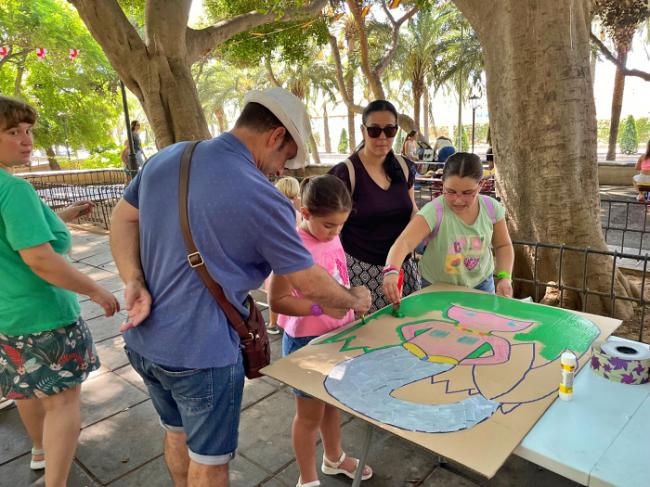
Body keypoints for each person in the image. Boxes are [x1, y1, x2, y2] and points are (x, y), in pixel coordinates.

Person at [109, 87, 371, 487]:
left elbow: (122, 219)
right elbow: (308, 283)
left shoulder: (169, 157)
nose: (281, 170)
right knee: (210, 461)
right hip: (203, 353)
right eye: (286, 156)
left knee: (177, 435)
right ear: (275, 136)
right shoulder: (265, 198)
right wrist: (354, 298)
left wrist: (133, 279)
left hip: (143, 341)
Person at [0, 95, 119, 487]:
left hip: (8, 316)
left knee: (27, 392)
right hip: (44, 315)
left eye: (28, 130)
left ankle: (39, 450)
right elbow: (41, 259)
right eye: (13, 132)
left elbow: (16, 236)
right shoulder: (13, 190)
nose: (26, 139)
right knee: (63, 401)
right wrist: (97, 291)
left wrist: (65, 217)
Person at [270, 175, 373, 487]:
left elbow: (335, 280)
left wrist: (354, 297)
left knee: (331, 404)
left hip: (336, 337)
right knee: (309, 416)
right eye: (329, 225)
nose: (335, 232)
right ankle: (308, 479)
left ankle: (333, 457)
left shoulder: (332, 237)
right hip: (305, 343)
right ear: (305, 213)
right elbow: (278, 301)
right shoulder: (292, 248)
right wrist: (319, 308)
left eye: (341, 225)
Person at [383, 152, 514, 305]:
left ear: (480, 185)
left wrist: (505, 277)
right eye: (450, 191)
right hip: (438, 288)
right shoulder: (434, 210)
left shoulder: (492, 208)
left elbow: (503, 245)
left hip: (481, 285)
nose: (458, 200)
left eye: (467, 193)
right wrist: (391, 271)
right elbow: (404, 242)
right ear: (442, 182)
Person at [329, 100, 420, 313]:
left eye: (390, 130)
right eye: (374, 130)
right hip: (363, 273)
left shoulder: (404, 167)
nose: (382, 137)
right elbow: (328, 226)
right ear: (363, 130)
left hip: (401, 269)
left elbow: (413, 209)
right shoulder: (345, 173)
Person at [266, 176, 302, 335]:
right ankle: (289, 322)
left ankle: (273, 323)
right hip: (291, 261)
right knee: (289, 294)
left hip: (273, 260)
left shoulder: (272, 213)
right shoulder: (297, 214)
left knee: (273, 292)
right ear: (296, 195)